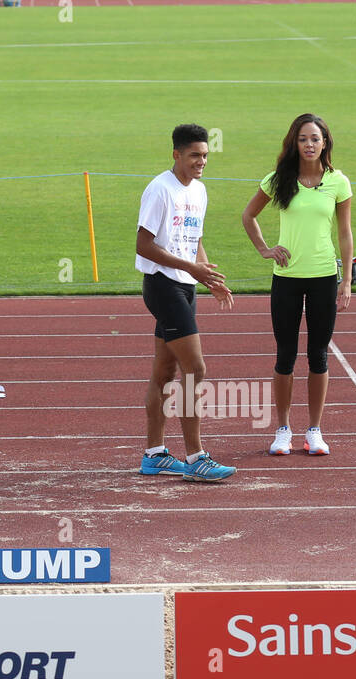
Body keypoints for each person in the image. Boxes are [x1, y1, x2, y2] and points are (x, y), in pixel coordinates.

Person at [241, 113, 353, 456]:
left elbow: (345, 233)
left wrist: (346, 280)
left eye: (315, 139)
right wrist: (264, 249)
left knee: (318, 355)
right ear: (294, 142)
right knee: (285, 356)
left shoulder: (338, 183)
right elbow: (248, 216)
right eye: (303, 139)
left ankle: (315, 430)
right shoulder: (278, 180)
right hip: (286, 279)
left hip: (323, 277)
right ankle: (283, 429)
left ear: (325, 143)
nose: (309, 145)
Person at [136, 123, 237, 483]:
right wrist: (189, 268)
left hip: (185, 285)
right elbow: (144, 245)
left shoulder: (200, 191)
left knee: (165, 371)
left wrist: (207, 277)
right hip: (162, 285)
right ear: (176, 154)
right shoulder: (160, 190)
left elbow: (193, 239)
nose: (201, 162)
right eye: (194, 155)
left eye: (206, 155)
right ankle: (196, 458)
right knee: (196, 368)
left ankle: (154, 455)